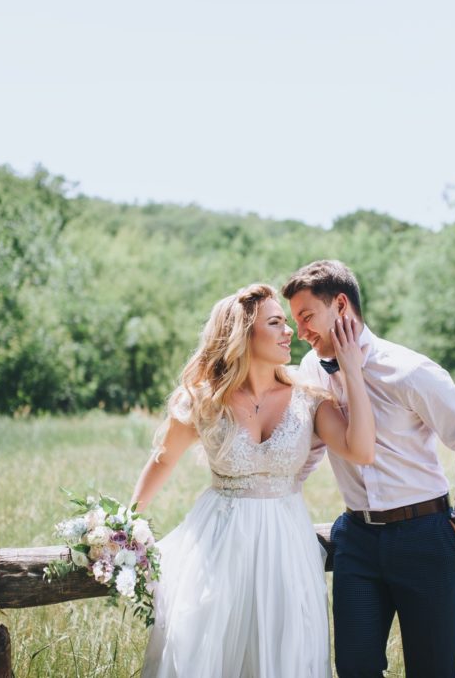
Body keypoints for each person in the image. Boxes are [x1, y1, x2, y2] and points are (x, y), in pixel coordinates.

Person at [131, 282, 376, 678]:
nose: (290, 331)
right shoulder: (203, 399)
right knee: (208, 652)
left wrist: (351, 371)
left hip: (287, 546)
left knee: (285, 653)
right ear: (243, 334)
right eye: (277, 322)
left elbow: (362, 450)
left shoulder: (309, 398)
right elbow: (162, 460)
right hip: (217, 546)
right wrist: (124, 522)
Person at [282, 260, 455, 678]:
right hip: (357, 541)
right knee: (355, 669)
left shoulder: (410, 370)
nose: (301, 332)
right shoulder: (311, 370)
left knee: (432, 670)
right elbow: (309, 446)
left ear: (340, 305)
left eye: (307, 317)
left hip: (426, 535)